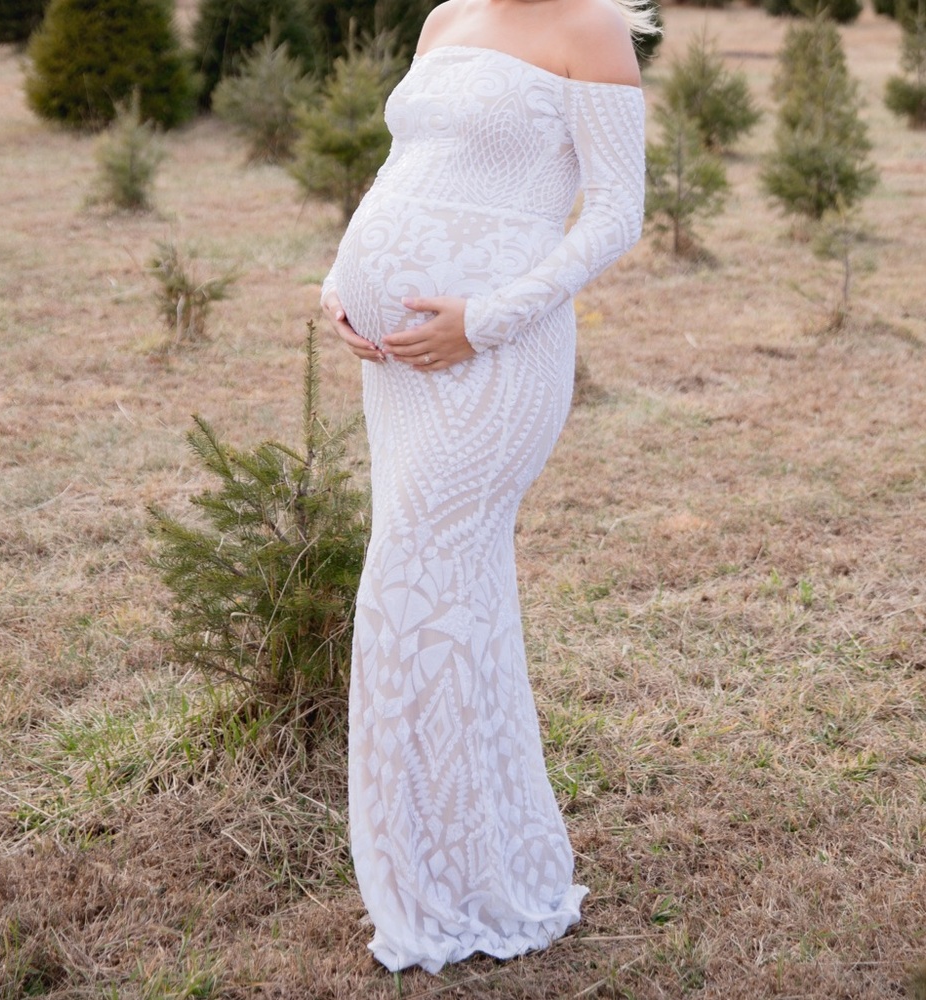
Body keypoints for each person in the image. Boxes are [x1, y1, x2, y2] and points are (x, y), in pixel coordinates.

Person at [320, 0, 654, 975]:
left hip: (494, 358)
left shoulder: (590, 28)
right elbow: (405, 166)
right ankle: (469, 854)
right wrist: (338, 279)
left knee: (411, 591)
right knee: (447, 600)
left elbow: (616, 211)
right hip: (395, 365)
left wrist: (489, 317)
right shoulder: (445, 16)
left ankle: (462, 879)